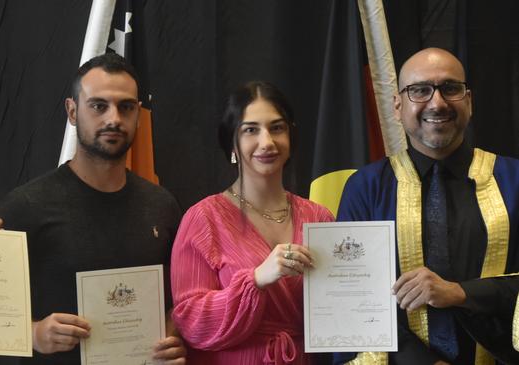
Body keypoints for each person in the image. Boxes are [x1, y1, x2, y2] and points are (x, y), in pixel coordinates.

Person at [0, 53, 186, 365]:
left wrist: (172, 336)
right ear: (72, 111)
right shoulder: (25, 207)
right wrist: (34, 332)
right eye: (98, 106)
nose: (113, 118)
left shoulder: (162, 206)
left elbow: (180, 300)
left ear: (138, 114)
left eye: (125, 107)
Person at [334, 48, 519, 364]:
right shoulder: (365, 188)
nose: (437, 102)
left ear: (469, 101)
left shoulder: (514, 179)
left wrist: (460, 292)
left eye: (450, 88)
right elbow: (352, 302)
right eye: (419, 90)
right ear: (397, 105)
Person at [170, 81, 334, 364]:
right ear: (232, 143)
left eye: (277, 128)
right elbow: (190, 321)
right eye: (250, 130)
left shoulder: (319, 217)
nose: (267, 142)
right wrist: (256, 280)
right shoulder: (203, 219)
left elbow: (340, 306)